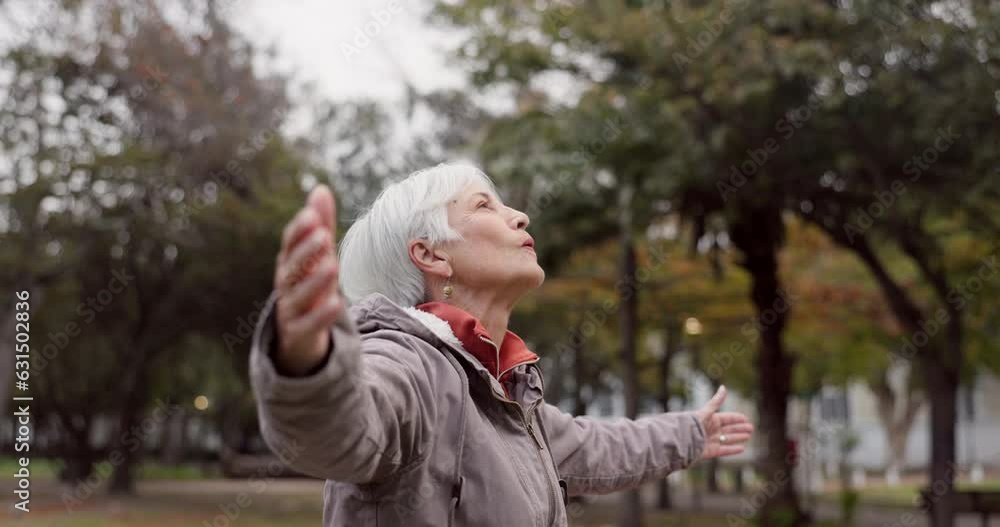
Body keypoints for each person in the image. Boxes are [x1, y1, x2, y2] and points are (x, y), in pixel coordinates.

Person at [250, 163, 753, 526]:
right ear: (430, 254)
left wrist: (690, 432)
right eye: (484, 205)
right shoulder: (409, 363)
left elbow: (598, 447)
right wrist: (306, 362)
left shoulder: (509, 396)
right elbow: (341, 428)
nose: (520, 217)